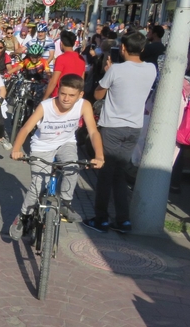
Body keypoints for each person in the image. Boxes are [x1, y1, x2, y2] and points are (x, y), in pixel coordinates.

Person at [9, 74, 105, 239]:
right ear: (58, 91)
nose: (66, 99)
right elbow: (26, 128)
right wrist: (16, 149)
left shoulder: (84, 105)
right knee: (38, 185)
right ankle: (23, 216)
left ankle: (66, 203)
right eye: (63, 94)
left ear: (80, 95)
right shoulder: (46, 106)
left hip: (65, 143)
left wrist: (99, 156)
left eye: (71, 95)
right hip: (42, 146)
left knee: (72, 167)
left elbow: (93, 131)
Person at [84, 32, 157, 234]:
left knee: (105, 174)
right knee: (119, 175)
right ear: (142, 49)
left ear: (123, 48)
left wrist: (108, 71)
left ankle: (101, 219)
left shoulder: (116, 70)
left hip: (113, 127)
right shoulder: (151, 69)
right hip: (134, 128)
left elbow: (98, 93)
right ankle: (123, 220)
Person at [43, 30, 85, 100]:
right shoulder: (81, 59)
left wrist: (44, 99)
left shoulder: (61, 58)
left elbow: (54, 82)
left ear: (61, 43)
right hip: (73, 97)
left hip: (59, 96)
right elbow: (82, 81)